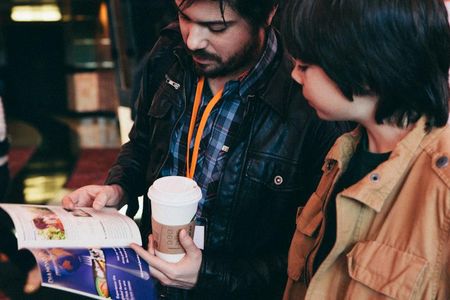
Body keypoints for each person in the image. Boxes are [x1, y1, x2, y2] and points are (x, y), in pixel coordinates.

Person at [63, 0, 349, 298]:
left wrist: (207, 274)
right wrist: (118, 187)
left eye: (216, 27)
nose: (193, 40)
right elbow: (143, 143)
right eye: (184, 17)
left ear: (267, 14)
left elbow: (312, 258)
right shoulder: (168, 52)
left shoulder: (311, 102)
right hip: (153, 285)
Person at [282, 0, 450, 299]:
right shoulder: (344, 151)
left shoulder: (443, 188)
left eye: (305, 65)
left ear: (366, 66)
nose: (295, 75)